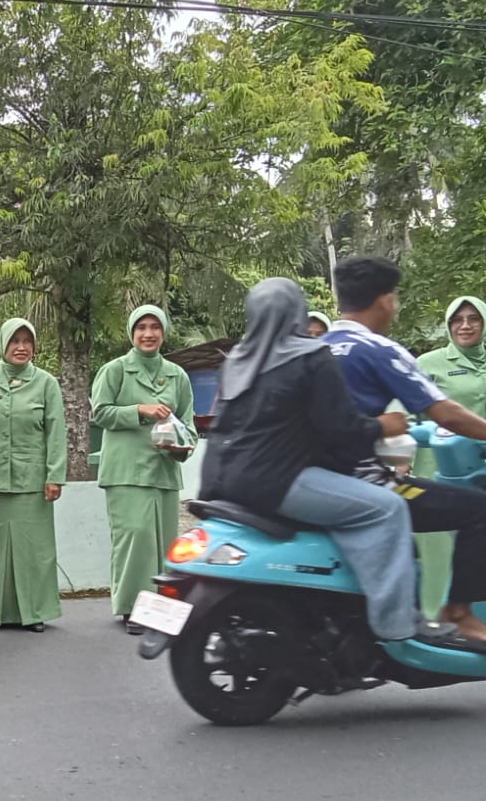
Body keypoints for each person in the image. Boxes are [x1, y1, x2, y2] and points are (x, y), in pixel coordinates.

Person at [199, 278, 472, 648]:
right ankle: (399, 624)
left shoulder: (237, 361)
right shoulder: (310, 357)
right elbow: (342, 430)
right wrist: (384, 426)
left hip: (224, 481)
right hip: (279, 480)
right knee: (388, 507)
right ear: (297, 313)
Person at [324, 256, 486, 641]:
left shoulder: (314, 347)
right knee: (480, 511)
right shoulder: (380, 349)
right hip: (367, 481)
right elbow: (446, 413)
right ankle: (459, 612)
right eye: (394, 297)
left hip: (315, 480)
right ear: (384, 300)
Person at [90, 305, 196, 635]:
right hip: (125, 471)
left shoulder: (177, 375)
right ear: (131, 333)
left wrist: (181, 446)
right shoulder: (115, 370)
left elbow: (189, 426)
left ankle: (161, 609)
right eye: (141, 327)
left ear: (163, 332)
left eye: (155, 327)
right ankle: (133, 609)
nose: (148, 334)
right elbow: (100, 413)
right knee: (135, 537)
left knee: (164, 543)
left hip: (163, 472)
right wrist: (140, 410)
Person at [0, 319, 66, 632]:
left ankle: (34, 612)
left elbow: (56, 431)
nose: (21, 347)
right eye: (14, 341)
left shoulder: (46, 383)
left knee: (34, 551)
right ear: (2, 344)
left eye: (27, 341)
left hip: (33, 482)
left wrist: (55, 475)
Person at [409, 297, 486, 611]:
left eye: (473, 318)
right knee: (440, 549)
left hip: (481, 470)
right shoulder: (429, 363)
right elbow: (405, 415)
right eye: (457, 319)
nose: (465, 326)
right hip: (440, 469)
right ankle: (435, 616)